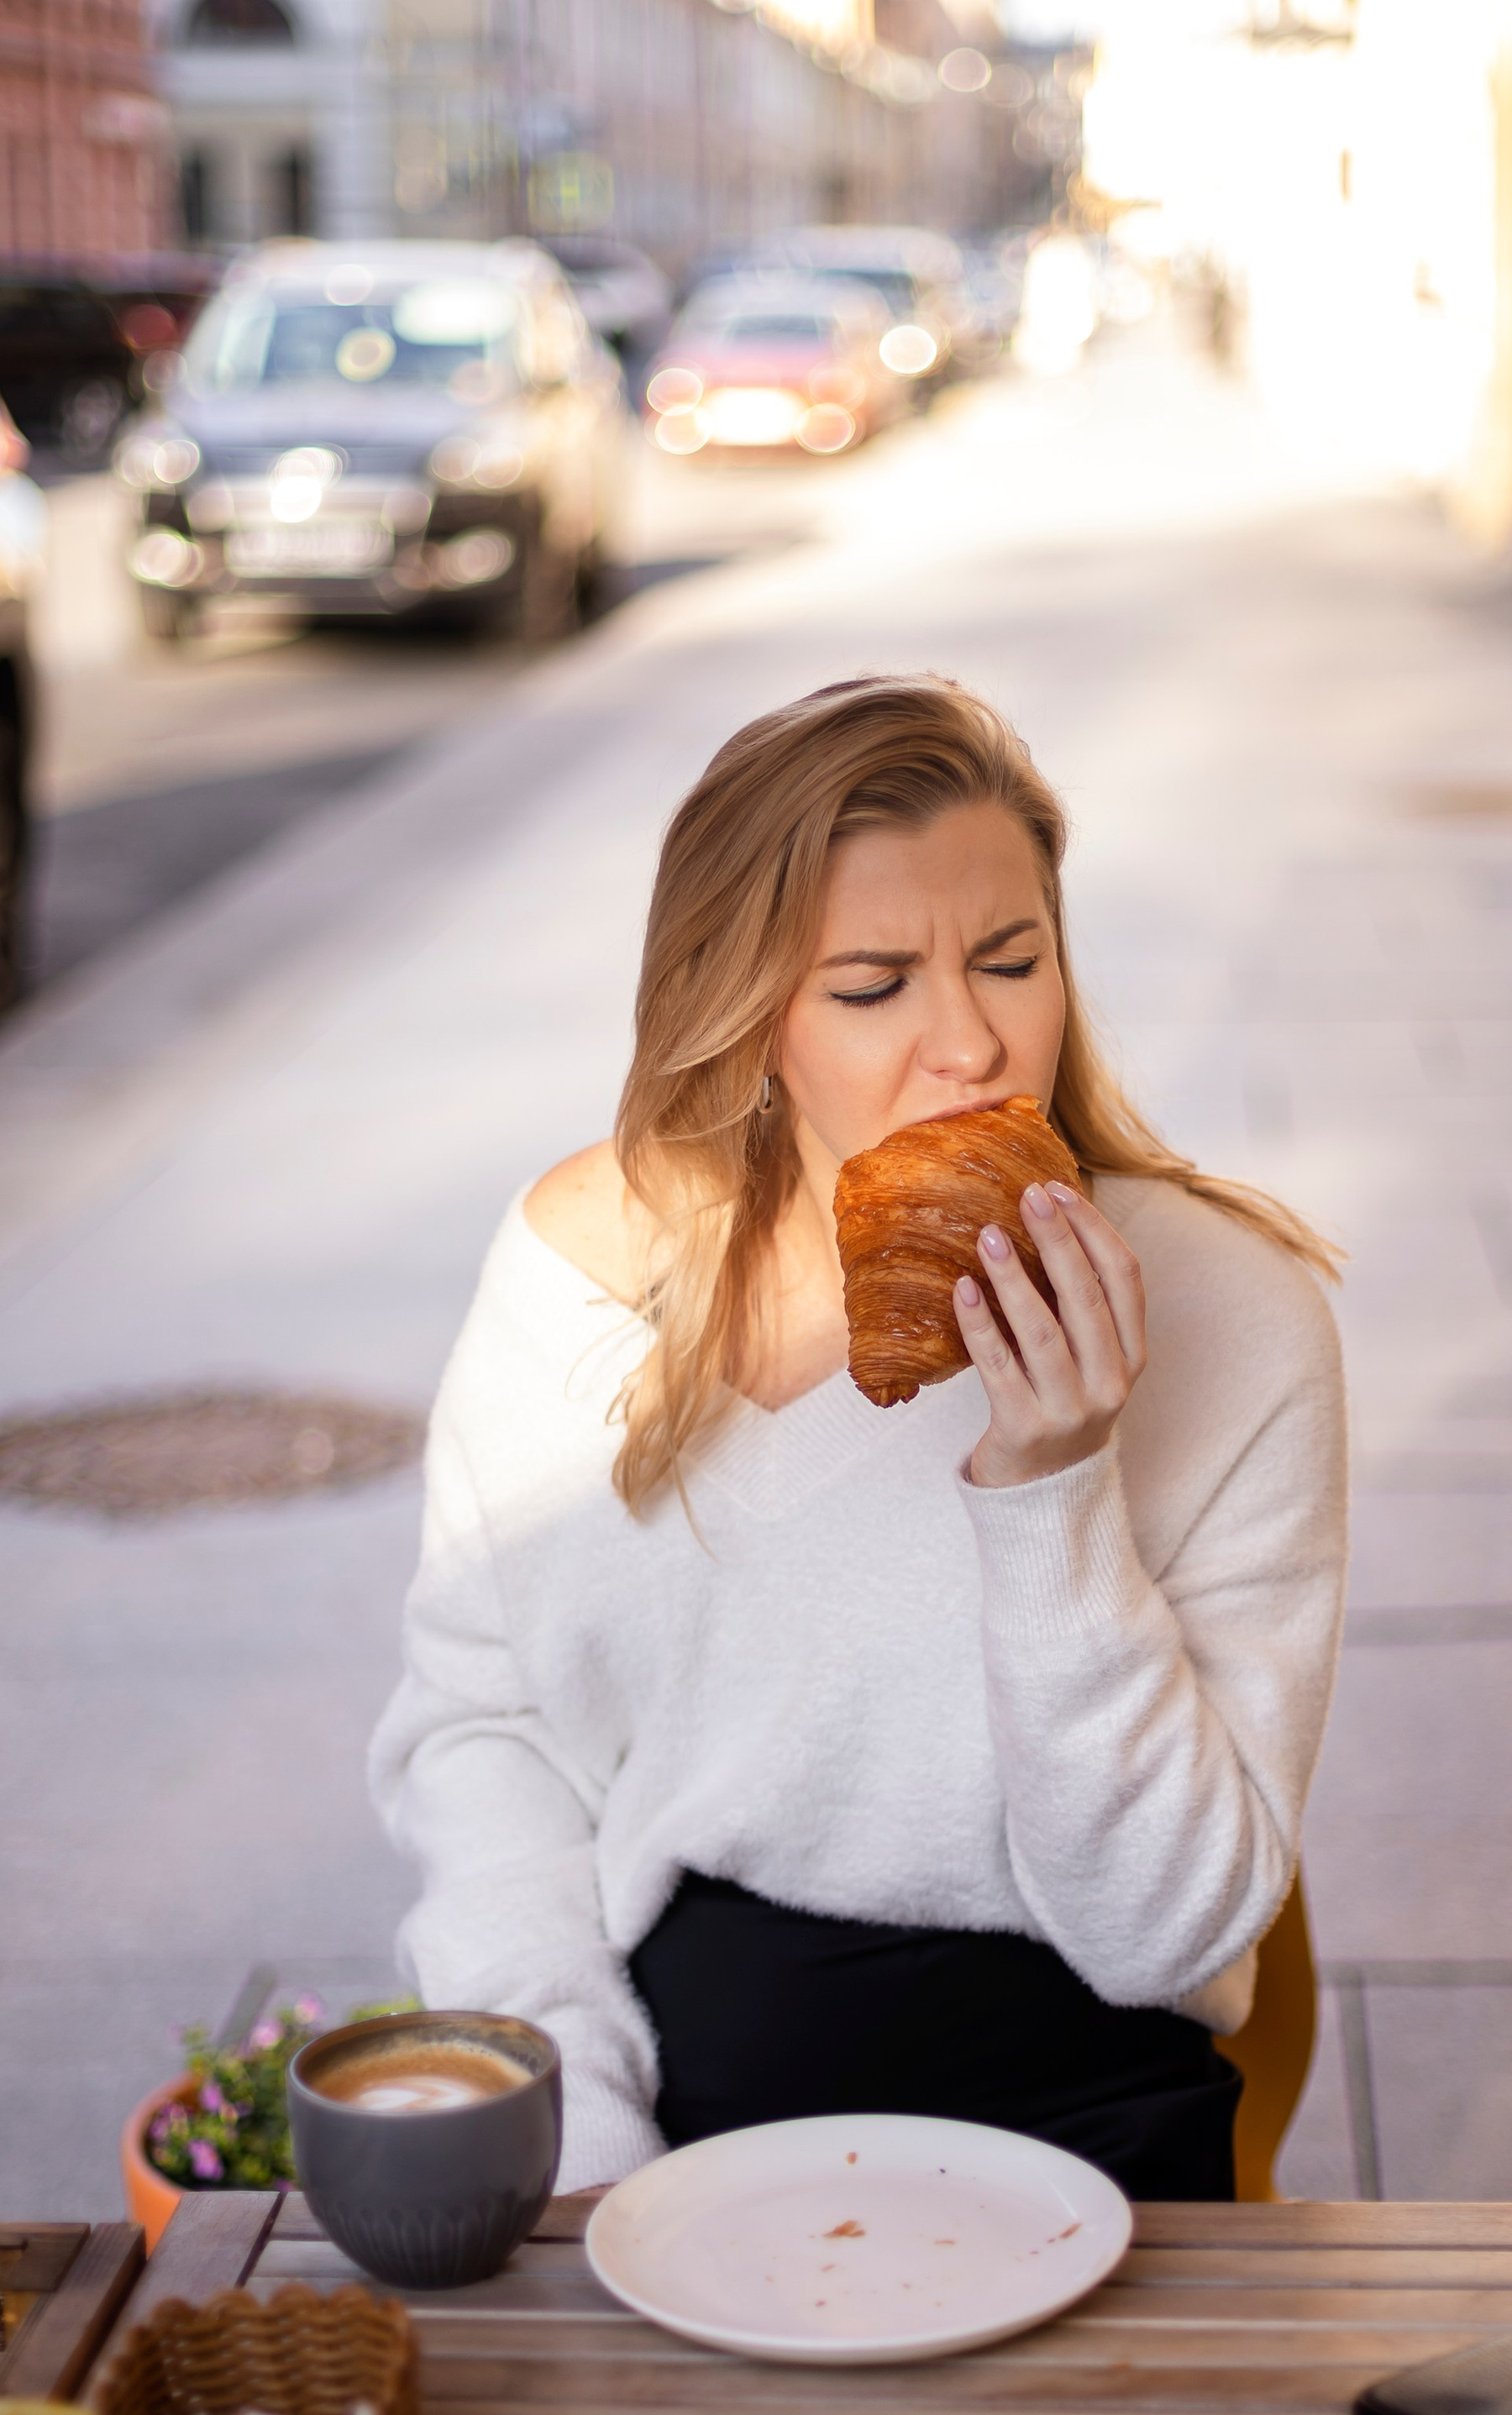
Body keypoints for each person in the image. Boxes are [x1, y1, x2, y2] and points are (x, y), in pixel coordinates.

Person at [370, 675, 1347, 2202]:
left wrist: (1055, 1491)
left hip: (1084, 2132)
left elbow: (1174, 1930)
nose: (969, 1045)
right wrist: (582, 2142)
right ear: (750, 1017)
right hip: (653, 2115)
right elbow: (485, 1735)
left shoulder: (1231, 1316)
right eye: (874, 985)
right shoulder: (580, 1268)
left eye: (1012, 962)